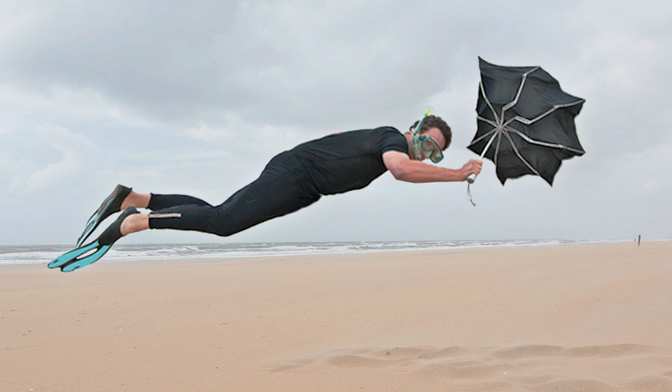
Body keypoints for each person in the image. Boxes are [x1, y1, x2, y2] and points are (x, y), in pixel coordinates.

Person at [49, 113, 482, 271]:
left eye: (437, 156)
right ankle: (135, 223)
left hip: (300, 181)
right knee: (223, 224)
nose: (428, 157)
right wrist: (458, 174)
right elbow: (401, 171)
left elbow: (337, 136)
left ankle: (133, 198)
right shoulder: (392, 140)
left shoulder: (380, 136)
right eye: (428, 146)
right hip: (295, 176)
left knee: (221, 213)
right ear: (415, 130)